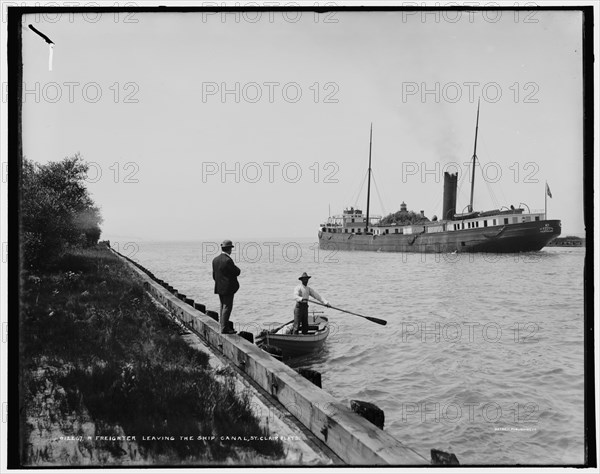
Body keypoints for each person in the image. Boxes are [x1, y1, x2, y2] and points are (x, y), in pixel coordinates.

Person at [212, 240, 241, 334]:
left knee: (222, 306)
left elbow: (214, 275)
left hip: (219, 287)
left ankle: (223, 326)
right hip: (228, 288)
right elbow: (236, 272)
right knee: (227, 307)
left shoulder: (215, 259)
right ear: (229, 249)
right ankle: (224, 328)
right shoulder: (228, 260)